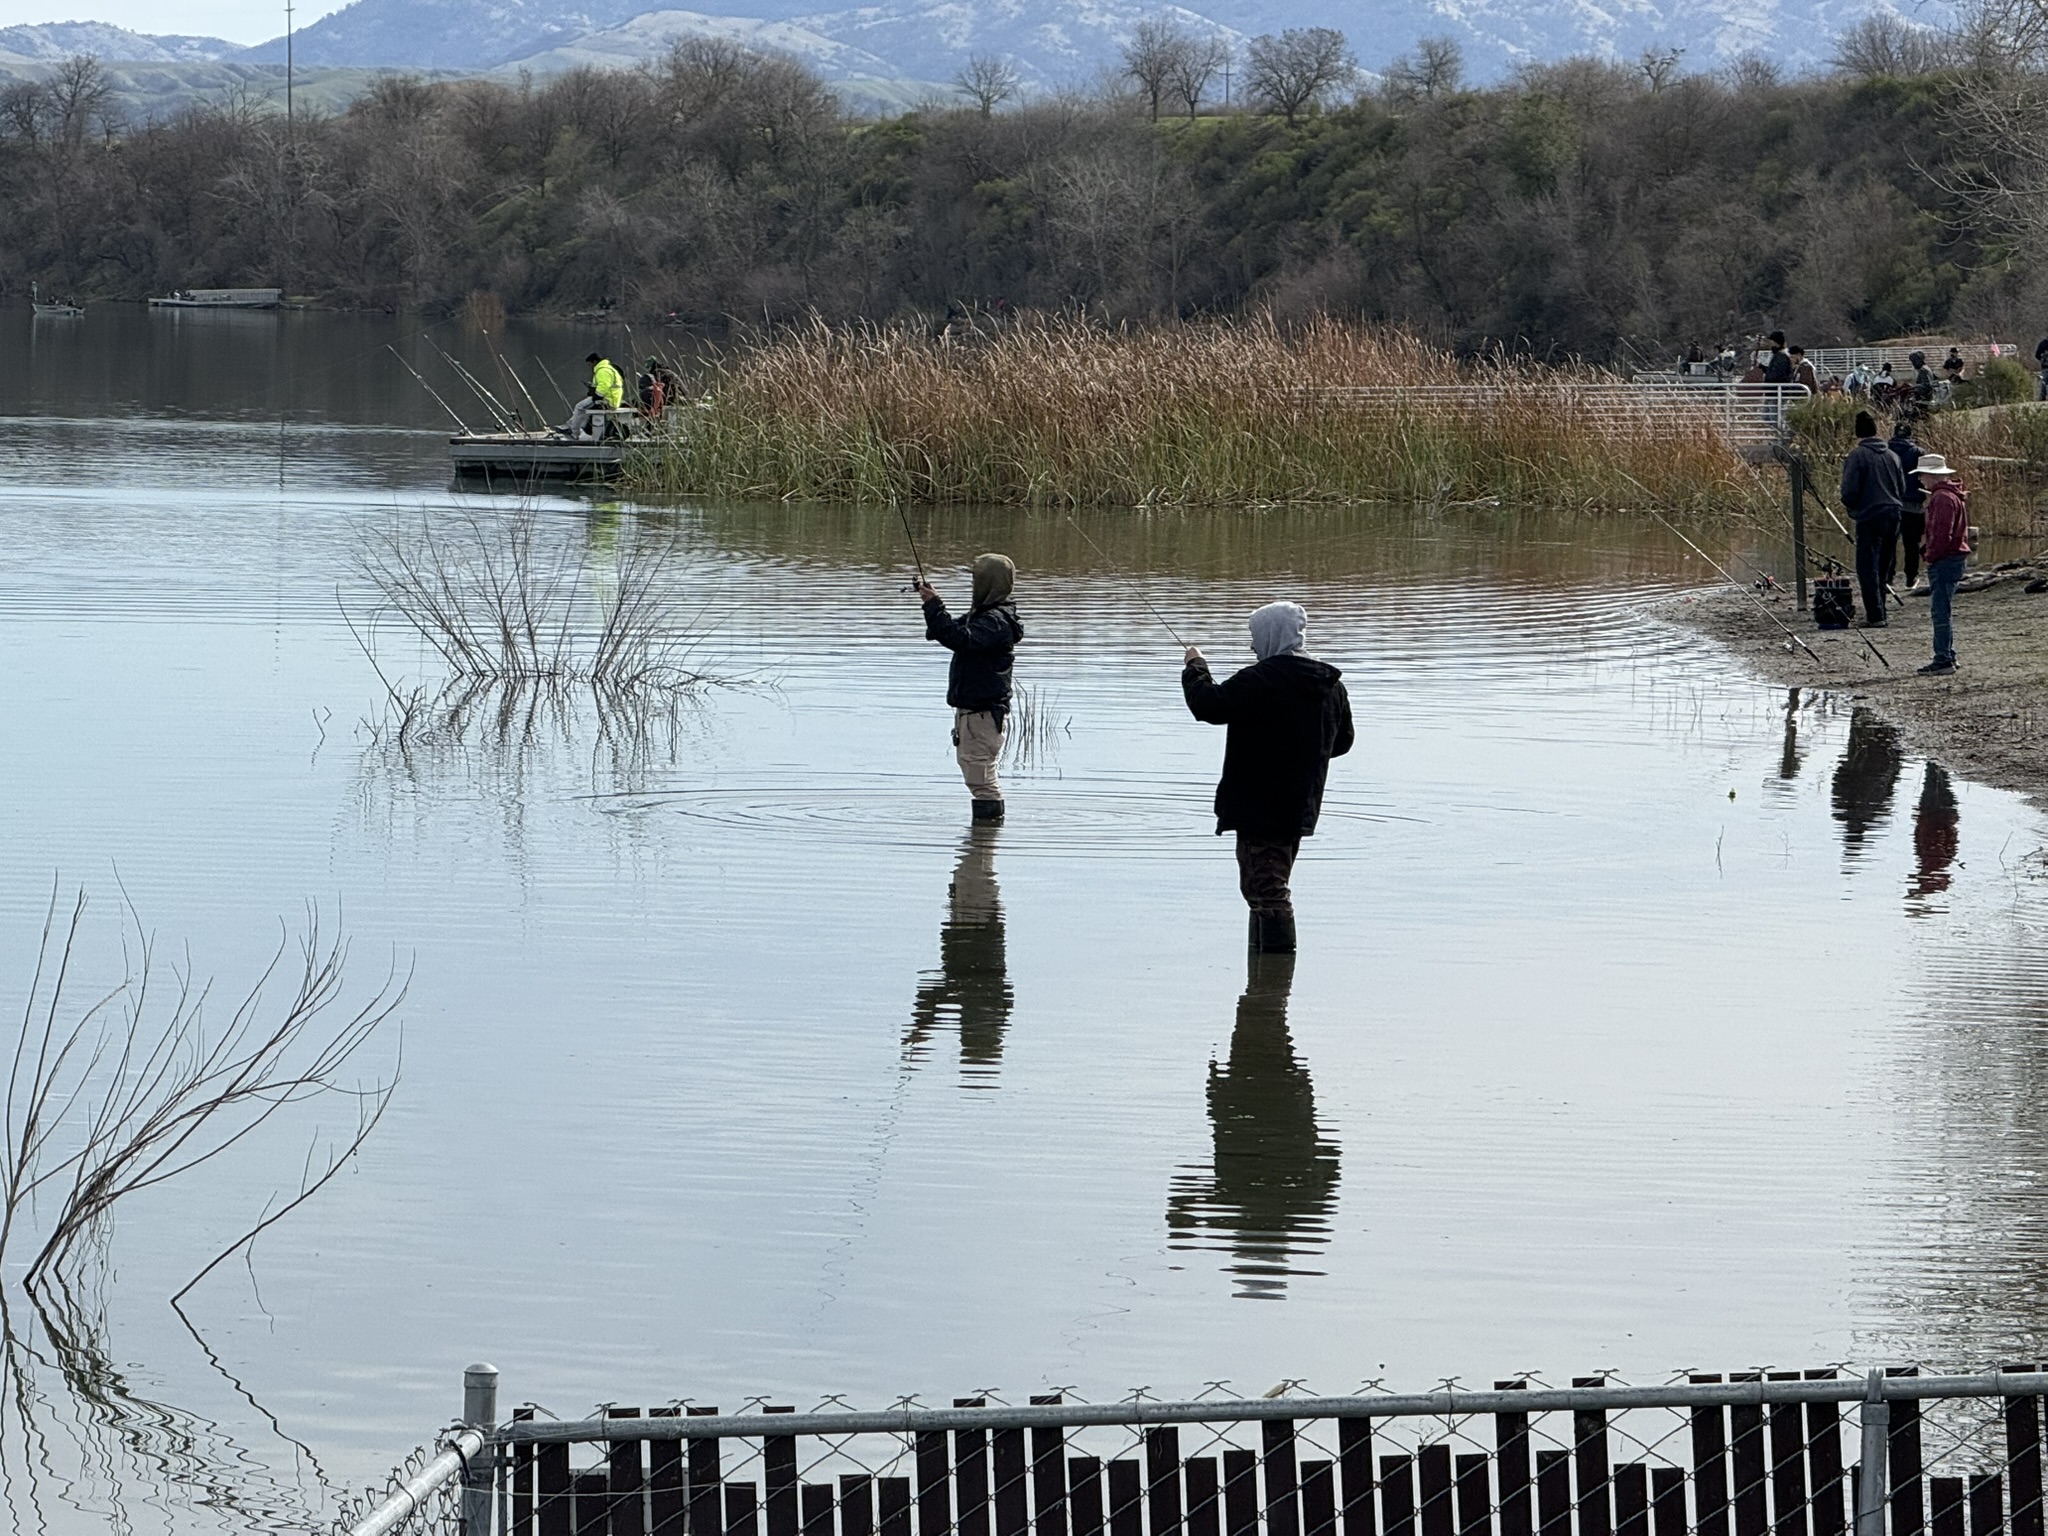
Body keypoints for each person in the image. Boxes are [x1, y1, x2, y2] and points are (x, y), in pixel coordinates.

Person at [1182, 602, 1355, 954]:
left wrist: (1195, 666)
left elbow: (1208, 705)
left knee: (1267, 892)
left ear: (1271, 635)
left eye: (1254, 637)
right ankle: (1261, 986)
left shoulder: (1261, 679)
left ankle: (1272, 994)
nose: (1251, 646)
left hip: (1259, 807)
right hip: (1299, 807)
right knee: (1266, 888)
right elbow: (1342, 742)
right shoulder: (1329, 685)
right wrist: (1300, 758)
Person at [917, 554, 1024, 823]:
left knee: (982, 781)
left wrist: (934, 608)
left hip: (982, 715)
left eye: (977, 578)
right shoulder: (986, 616)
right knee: (978, 778)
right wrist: (934, 605)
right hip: (978, 714)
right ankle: (981, 850)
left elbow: (959, 640)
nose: (973, 583)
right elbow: (948, 631)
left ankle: (984, 848)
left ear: (989, 582)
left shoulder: (995, 622)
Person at [1839, 410, 1905, 627]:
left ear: (1858, 433)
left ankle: (1875, 615)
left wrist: (1853, 508)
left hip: (1871, 514)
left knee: (1867, 567)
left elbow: (1849, 492)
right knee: (1884, 565)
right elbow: (1902, 488)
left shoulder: (1857, 456)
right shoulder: (1893, 456)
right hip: (1894, 513)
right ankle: (1881, 610)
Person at [1915, 452, 1969, 674]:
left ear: (1931, 475)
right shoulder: (1950, 496)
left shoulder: (1942, 498)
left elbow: (1940, 534)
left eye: (1921, 475)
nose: (1920, 480)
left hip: (1946, 560)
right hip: (1953, 558)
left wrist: (1930, 555)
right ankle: (1948, 655)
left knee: (1940, 612)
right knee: (1943, 609)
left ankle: (1943, 659)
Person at [1888, 418, 1926, 592]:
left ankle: (1888, 578)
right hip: (1913, 505)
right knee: (1911, 543)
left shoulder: (1886, 451)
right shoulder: (1918, 452)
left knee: (1889, 542)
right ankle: (1911, 578)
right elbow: (1924, 478)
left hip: (1890, 504)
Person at [563, 350, 626, 440]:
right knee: (584, 408)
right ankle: (573, 426)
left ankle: (573, 433)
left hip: (606, 400)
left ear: (594, 362)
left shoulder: (603, 370)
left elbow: (604, 386)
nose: (590, 367)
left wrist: (597, 396)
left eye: (590, 364)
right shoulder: (608, 368)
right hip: (612, 399)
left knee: (579, 406)